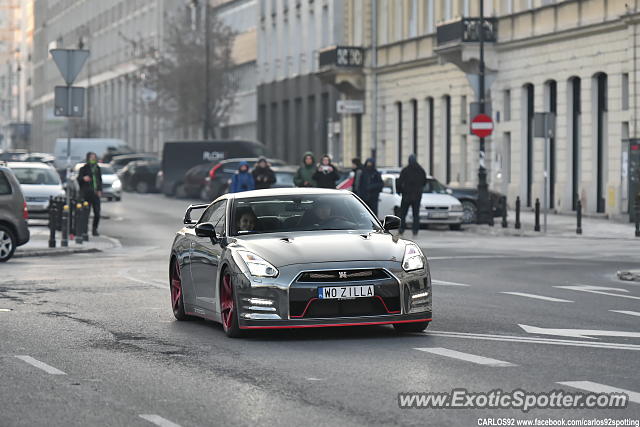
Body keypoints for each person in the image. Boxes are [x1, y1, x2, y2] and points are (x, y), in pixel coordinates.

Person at [397, 154, 427, 236]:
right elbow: (424, 182)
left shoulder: (405, 170)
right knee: (416, 214)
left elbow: (399, 182)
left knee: (403, 213)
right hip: (417, 195)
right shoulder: (421, 170)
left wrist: (399, 191)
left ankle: (402, 228)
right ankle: (415, 230)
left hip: (406, 195)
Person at [77, 152, 103, 236]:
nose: (93, 159)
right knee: (86, 213)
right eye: (91, 157)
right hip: (86, 193)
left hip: (95, 193)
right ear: (88, 158)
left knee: (97, 213)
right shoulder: (84, 168)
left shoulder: (97, 168)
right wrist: (84, 178)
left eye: (94, 157)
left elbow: (99, 180)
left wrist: (99, 190)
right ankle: (85, 230)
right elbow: (79, 179)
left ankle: (94, 229)